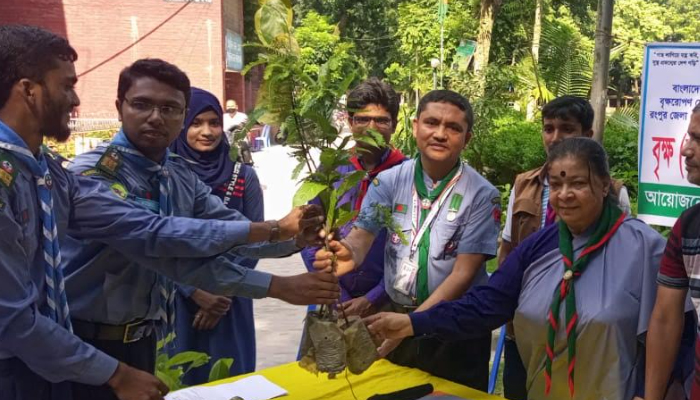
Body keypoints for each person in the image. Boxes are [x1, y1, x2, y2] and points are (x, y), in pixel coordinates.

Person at [0, 25, 337, 400]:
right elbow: (159, 245)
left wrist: (290, 240)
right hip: (63, 348)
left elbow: (185, 233)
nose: (75, 99)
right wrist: (274, 247)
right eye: (66, 86)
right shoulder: (86, 174)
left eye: (171, 109)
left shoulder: (51, 173)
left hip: (123, 344)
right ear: (29, 90)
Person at [362, 137, 693, 400]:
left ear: (605, 185)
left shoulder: (646, 249)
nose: (564, 195)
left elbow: (680, 332)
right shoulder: (539, 247)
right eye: (556, 184)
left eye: (577, 183)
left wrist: (651, 394)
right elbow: (487, 305)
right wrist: (412, 323)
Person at [314, 90, 501, 389]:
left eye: (453, 127)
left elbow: (463, 275)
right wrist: (345, 253)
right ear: (415, 127)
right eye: (431, 123)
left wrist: (412, 325)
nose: (440, 134)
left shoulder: (482, 195)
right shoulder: (387, 181)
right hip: (397, 315)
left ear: (467, 139)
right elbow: (361, 239)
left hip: (455, 326)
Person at [497, 95, 632, 399]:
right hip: (528, 324)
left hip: (584, 328)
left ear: (588, 135)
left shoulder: (611, 192)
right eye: (548, 128)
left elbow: (623, 263)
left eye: (567, 129)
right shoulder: (523, 185)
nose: (555, 137)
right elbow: (507, 251)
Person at [168, 87, 262, 383]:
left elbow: (256, 239)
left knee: (232, 380)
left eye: (214, 123)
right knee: (179, 381)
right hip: (178, 300)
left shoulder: (243, 176)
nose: (206, 131)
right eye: (196, 123)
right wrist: (193, 290)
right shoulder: (164, 176)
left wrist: (223, 292)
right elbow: (154, 241)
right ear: (182, 126)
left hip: (230, 301)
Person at [301, 78, 406, 318]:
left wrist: (373, 298)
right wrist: (335, 291)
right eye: (362, 119)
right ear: (349, 122)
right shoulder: (330, 169)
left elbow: (412, 250)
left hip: (388, 305)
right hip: (334, 298)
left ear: (395, 125)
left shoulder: (407, 175)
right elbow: (309, 234)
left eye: (381, 120)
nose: (371, 127)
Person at [646, 104, 700, 400]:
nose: (685, 151)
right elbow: (666, 318)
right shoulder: (688, 228)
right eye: (689, 137)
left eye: (698, 139)